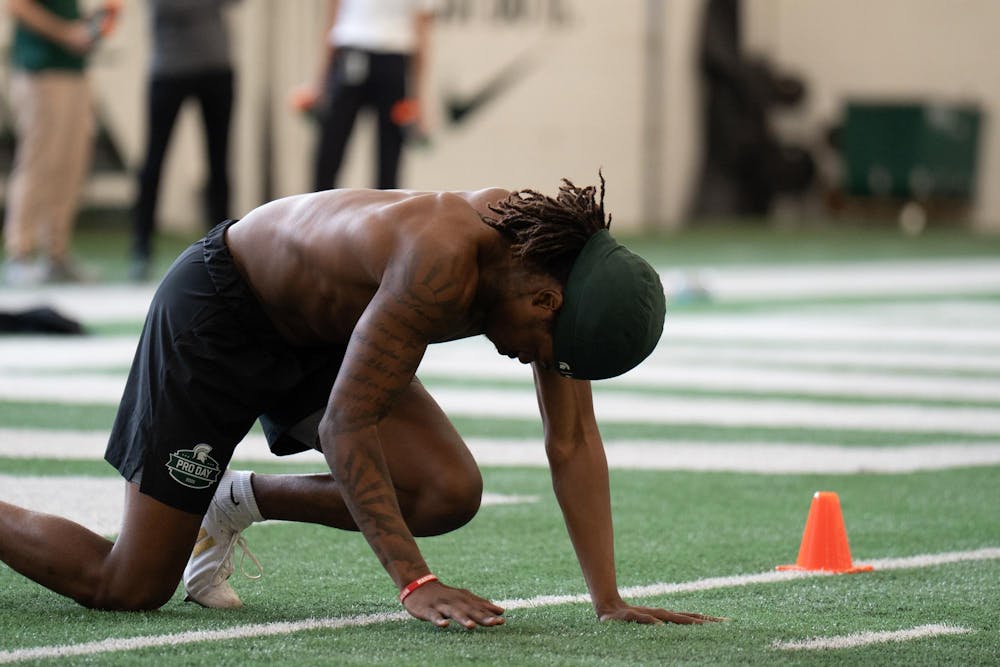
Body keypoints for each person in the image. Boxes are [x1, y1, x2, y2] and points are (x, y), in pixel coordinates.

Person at [0, 175, 722, 629]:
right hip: (221, 312)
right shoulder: (441, 260)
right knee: (127, 584)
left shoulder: (555, 266)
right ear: (543, 298)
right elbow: (350, 423)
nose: (536, 360)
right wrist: (415, 580)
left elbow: (571, 440)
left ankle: (233, 500)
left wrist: (610, 598)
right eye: (540, 344)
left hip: (326, 335)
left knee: (446, 491)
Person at [129, 0, 241, 282]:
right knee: (154, 161)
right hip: (169, 68)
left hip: (217, 66)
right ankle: (141, 247)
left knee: (219, 162)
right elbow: (168, 8)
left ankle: (224, 251)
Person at [2, 0, 96, 286]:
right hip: (40, 70)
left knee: (71, 163)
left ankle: (56, 252)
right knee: (38, 162)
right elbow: (15, 5)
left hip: (73, 70)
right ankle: (21, 252)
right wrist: (65, 32)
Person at [306, 0, 434, 192]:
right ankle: (315, 213)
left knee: (388, 157)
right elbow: (333, 18)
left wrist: (418, 101)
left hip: (385, 59)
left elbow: (421, 33)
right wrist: (320, 82)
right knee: (332, 148)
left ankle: (387, 217)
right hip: (363, 57)